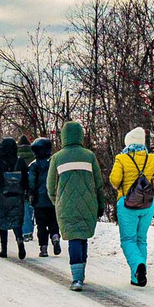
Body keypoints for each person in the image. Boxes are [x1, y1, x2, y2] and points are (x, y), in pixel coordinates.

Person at [49, 121, 102, 289]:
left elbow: (50, 186)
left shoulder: (57, 158)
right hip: (88, 203)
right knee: (83, 237)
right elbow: (98, 184)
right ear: (80, 135)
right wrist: (99, 204)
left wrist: (57, 202)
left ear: (63, 136)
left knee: (74, 238)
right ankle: (81, 274)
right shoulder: (89, 156)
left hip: (66, 205)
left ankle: (77, 278)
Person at [110, 126, 154, 286]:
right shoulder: (151, 159)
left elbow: (114, 180)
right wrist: (150, 184)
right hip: (147, 203)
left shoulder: (122, 159)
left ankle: (138, 266)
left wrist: (124, 188)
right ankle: (137, 277)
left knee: (128, 240)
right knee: (141, 240)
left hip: (128, 204)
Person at [0, 138, 30, 257]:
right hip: (17, 198)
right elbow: (26, 181)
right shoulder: (21, 162)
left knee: (3, 223)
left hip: (2, 198)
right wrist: (29, 194)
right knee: (16, 222)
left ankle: (4, 249)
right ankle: (20, 242)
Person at [27, 137, 59, 258]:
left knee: (41, 225)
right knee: (53, 222)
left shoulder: (34, 165)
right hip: (53, 199)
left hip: (39, 201)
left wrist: (31, 194)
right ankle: (55, 237)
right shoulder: (53, 163)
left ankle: (43, 248)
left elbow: (31, 182)